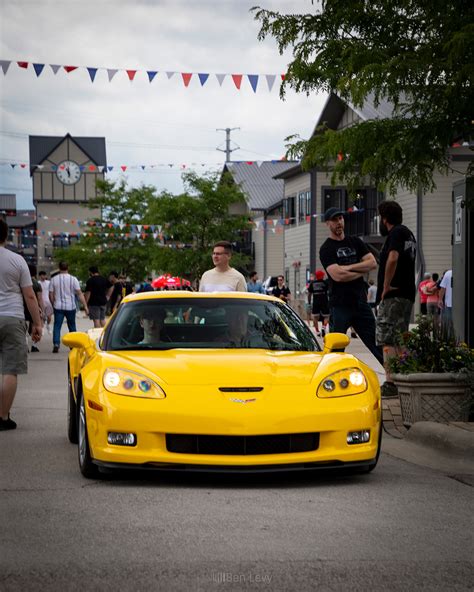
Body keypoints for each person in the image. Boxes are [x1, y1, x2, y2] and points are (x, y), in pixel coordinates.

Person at [319, 207, 383, 365]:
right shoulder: (326, 248)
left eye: (341, 218)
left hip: (360, 302)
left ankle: (393, 379)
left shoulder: (355, 242)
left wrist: (347, 268)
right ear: (328, 223)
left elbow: (372, 263)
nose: (339, 222)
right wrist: (360, 270)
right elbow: (337, 275)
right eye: (335, 220)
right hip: (340, 304)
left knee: (377, 343)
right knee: (336, 349)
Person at [0, 218, 42, 430]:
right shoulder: (17, 261)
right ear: (6, 236)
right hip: (12, 317)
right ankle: (3, 417)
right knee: (10, 369)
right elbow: (30, 295)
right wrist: (38, 323)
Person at [376, 200, 417, 398]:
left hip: (394, 294)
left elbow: (393, 258)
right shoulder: (408, 233)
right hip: (407, 293)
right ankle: (404, 378)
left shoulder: (396, 233)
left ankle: (391, 383)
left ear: (385, 219)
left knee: (388, 339)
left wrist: (385, 287)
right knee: (401, 337)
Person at [49, 261, 89, 353]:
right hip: (71, 306)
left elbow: (51, 294)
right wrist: (85, 306)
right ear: (68, 268)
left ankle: (56, 344)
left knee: (57, 326)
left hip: (58, 306)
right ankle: (73, 345)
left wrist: (53, 303)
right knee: (72, 326)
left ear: (59, 268)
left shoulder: (54, 279)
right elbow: (79, 294)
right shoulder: (73, 279)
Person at [307, 270, 330, 336]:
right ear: (322, 276)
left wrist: (309, 302)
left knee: (315, 317)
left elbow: (309, 293)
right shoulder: (325, 283)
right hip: (324, 301)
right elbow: (329, 291)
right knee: (326, 316)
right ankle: (324, 327)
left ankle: (317, 331)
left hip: (316, 302)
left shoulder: (312, 283)